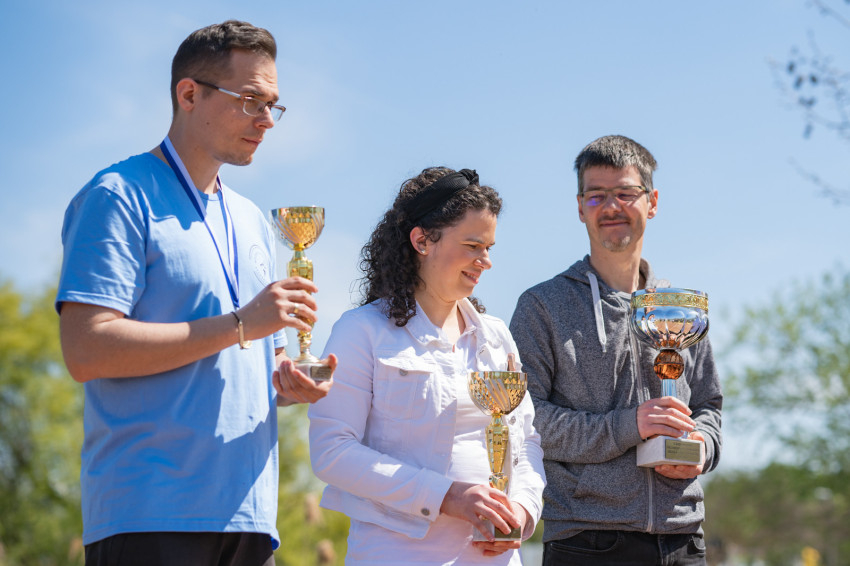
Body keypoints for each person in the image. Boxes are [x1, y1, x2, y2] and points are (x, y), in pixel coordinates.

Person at [56, 20, 335, 566]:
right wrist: (241, 325)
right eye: (251, 100)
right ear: (189, 95)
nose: (266, 120)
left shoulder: (252, 220)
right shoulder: (118, 195)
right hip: (149, 514)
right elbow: (86, 349)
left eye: (272, 106)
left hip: (251, 517)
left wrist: (287, 379)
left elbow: (246, 357)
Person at [308, 167, 546, 565]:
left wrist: (522, 510)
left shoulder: (497, 337)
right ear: (422, 240)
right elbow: (331, 451)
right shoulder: (361, 331)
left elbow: (526, 443)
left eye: (489, 247)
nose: (485, 261)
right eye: (472, 245)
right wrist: (446, 496)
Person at [509, 135, 722, 565]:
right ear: (580, 206)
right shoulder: (543, 306)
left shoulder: (679, 312)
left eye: (625, 193)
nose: (611, 207)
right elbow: (525, 419)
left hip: (684, 538)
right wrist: (630, 426)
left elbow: (708, 406)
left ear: (652, 201)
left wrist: (701, 447)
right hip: (587, 540)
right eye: (596, 195)